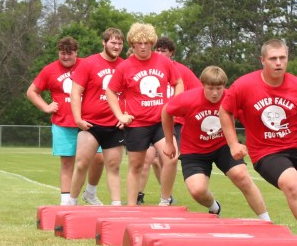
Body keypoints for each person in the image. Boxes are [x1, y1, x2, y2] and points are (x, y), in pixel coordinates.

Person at [219, 39, 297, 235]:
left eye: (282, 58)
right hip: (266, 151)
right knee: (293, 184)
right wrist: (233, 144)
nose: (278, 62)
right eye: (273, 58)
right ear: (262, 60)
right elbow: (225, 111)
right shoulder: (244, 85)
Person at [161, 66, 270, 220]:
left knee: (242, 176)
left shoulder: (232, 98)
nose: (214, 93)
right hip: (194, 151)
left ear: (224, 87)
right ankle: (214, 206)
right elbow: (166, 111)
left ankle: (266, 221)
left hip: (223, 146)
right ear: (203, 85)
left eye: (218, 88)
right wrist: (169, 142)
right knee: (197, 190)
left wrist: (250, 141)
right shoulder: (188, 98)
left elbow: (250, 118)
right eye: (210, 88)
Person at [105, 23, 186, 206]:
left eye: (146, 43)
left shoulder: (164, 61)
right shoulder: (125, 67)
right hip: (137, 123)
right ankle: (132, 207)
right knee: (136, 165)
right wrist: (119, 115)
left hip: (161, 121)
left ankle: (165, 200)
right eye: (138, 43)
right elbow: (110, 91)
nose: (142, 47)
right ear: (132, 45)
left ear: (152, 43)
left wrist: (174, 103)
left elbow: (178, 83)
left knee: (171, 159)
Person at [25, 37, 103, 205]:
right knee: (67, 162)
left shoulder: (87, 65)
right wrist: (46, 107)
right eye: (62, 53)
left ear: (76, 52)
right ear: (58, 53)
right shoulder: (49, 70)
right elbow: (31, 91)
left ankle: (90, 193)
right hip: (63, 123)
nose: (66, 57)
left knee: (99, 158)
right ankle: (66, 201)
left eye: (70, 53)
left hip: (88, 122)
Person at [135, 36, 202, 204]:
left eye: (163, 50)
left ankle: (166, 197)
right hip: (150, 120)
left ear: (171, 53)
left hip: (175, 122)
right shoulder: (148, 68)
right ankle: (138, 196)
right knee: (147, 159)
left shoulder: (182, 70)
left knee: (166, 159)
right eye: (156, 49)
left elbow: (199, 92)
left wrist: (186, 109)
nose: (159, 53)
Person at [66, 27, 126, 206]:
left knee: (113, 167)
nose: (116, 46)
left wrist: (124, 117)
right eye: (113, 42)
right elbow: (76, 93)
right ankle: (72, 202)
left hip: (115, 126)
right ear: (104, 42)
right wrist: (78, 119)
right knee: (82, 163)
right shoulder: (89, 63)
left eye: (120, 43)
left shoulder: (124, 65)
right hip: (91, 124)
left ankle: (116, 206)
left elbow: (130, 95)